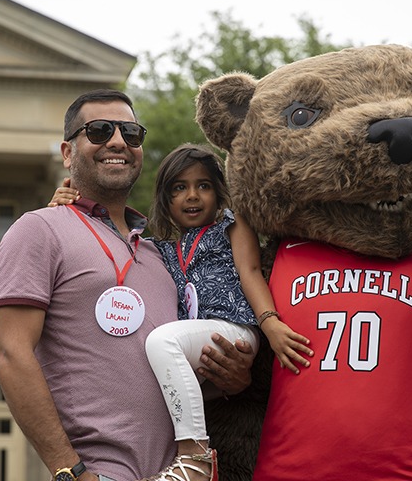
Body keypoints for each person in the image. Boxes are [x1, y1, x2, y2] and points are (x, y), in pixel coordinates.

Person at [0, 90, 255, 481]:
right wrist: (70, 471)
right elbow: (11, 354)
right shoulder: (39, 229)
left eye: (130, 133)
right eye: (98, 130)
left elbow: (179, 374)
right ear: (67, 152)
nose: (117, 141)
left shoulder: (161, 253)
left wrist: (233, 381)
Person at [51, 144, 313, 481]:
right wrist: (70, 208)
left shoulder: (232, 226)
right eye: (180, 188)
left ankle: (195, 456)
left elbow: (250, 272)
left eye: (203, 186)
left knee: (161, 342)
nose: (192, 196)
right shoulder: (159, 249)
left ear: (218, 193)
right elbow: (108, 243)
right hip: (194, 350)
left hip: (232, 328)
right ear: (165, 199)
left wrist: (271, 324)